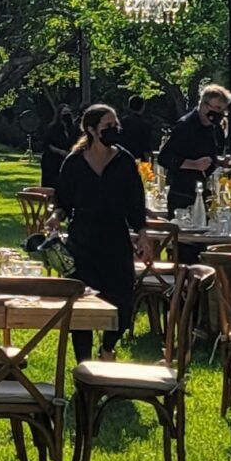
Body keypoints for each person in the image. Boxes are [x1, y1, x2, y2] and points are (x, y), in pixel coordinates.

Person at [54, 103, 146, 362]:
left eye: (116, 126)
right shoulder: (74, 163)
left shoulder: (125, 161)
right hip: (82, 241)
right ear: (92, 130)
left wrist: (142, 232)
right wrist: (55, 218)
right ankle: (83, 361)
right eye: (108, 127)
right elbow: (62, 201)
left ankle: (107, 347)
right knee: (81, 304)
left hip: (116, 239)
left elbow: (135, 203)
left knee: (123, 303)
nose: (114, 130)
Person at [157, 83, 231, 214]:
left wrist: (220, 162)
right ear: (204, 105)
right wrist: (194, 165)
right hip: (182, 196)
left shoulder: (212, 128)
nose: (219, 114)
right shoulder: (185, 126)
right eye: (217, 108)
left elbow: (205, 156)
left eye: (222, 111)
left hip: (202, 193)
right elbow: (164, 158)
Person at [36, 102, 80, 189]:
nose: (67, 115)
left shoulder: (74, 129)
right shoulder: (53, 128)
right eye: (64, 113)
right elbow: (47, 144)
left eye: (68, 112)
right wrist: (60, 152)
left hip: (67, 160)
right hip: (52, 161)